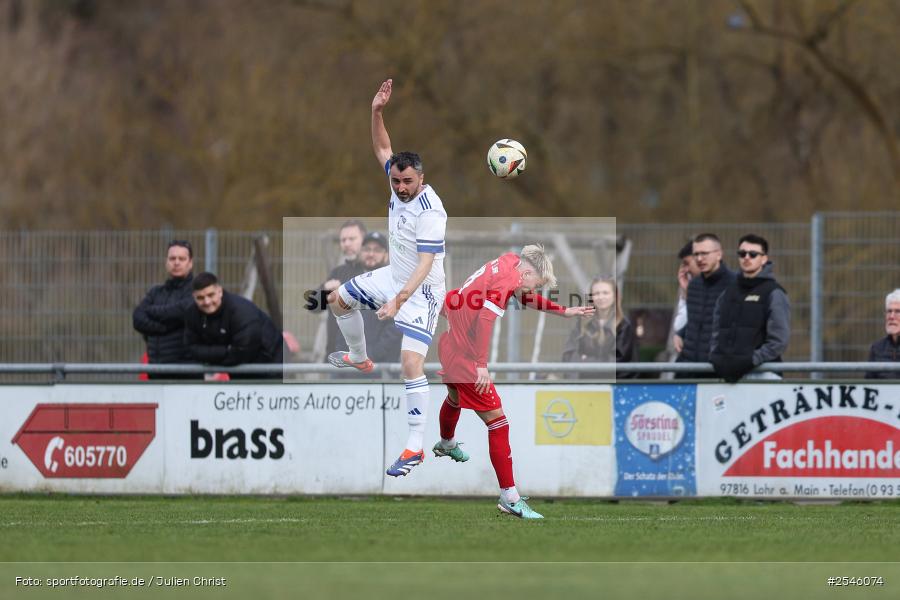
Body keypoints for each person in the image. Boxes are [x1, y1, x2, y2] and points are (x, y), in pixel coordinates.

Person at [327, 78, 448, 477]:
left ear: (421, 179)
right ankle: (359, 357)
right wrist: (376, 112)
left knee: (410, 363)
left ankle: (414, 447)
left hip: (423, 290)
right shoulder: (397, 185)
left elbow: (426, 264)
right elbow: (382, 148)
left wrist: (398, 300)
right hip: (393, 276)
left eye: (407, 181)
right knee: (337, 299)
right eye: (395, 181)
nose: (400, 187)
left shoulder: (430, 210)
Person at [433, 245, 595, 519]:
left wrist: (563, 311)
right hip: (466, 356)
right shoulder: (510, 279)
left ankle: (447, 441)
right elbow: (485, 317)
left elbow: (519, 296)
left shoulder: (509, 262)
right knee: (499, 423)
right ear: (528, 273)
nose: (536, 290)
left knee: (455, 398)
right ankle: (510, 497)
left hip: (450, 341)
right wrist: (481, 365)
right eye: (538, 284)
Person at [709, 234, 791, 382]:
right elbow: (716, 331)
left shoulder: (774, 293)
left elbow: (779, 341)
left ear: (764, 259)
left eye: (753, 254)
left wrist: (751, 360)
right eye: (742, 254)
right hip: (728, 376)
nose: (746, 257)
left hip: (764, 373)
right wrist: (716, 357)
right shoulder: (727, 293)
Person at [184, 272, 283, 379]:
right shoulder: (192, 313)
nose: (207, 301)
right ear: (194, 297)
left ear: (220, 292)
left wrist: (210, 356)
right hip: (240, 372)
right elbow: (191, 348)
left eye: (210, 295)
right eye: (200, 298)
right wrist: (226, 351)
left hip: (272, 366)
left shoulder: (241, 311)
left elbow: (242, 353)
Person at [332, 232, 403, 376]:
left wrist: (370, 353)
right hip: (349, 367)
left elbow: (397, 326)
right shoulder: (350, 281)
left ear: (386, 255)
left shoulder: (396, 282)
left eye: (377, 250)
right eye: (367, 249)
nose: (371, 254)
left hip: (382, 368)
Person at [132, 240, 196, 379]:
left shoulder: (197, 292)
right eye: (172, 258)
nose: (176, 262)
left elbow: (181, 312)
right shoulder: (156, 292)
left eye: (182, 259)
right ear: (166, 262)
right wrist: (165, 328)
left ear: (190, 263)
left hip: (186, 374)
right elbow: (137, 319)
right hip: (156, 371)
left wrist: (151, 312)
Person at [675, 233, 736, 378]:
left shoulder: (735, 285)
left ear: (719, 255)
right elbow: (696, 320)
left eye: (704, 253)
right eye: (696, 254)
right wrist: (681, 333)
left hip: (716, 372)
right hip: (687, 369)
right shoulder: (694, 285)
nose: (700, 259)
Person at [307, 220, 368, 360]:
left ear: (364, 240)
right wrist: (325, 291)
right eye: (343, 240)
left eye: (352, 239)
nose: (346, 244)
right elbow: (312, 306)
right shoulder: (337, 273)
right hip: (337, 355)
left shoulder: (373, 272)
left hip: (366, 357)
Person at [561, 276, 637, 378]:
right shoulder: (581, 323)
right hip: (584, 385)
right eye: (596, 293)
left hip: (613, 388)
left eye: (605, 293)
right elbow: (569, 355)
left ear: (615, 296)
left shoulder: (623, 325)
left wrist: (585, 362)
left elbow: (618, 362)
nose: (601, 297)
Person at [865, 289, 900, 379]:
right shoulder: (877, 348)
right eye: (889, 311)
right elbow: (868, 384)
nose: (892, 316)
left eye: (897, 311)